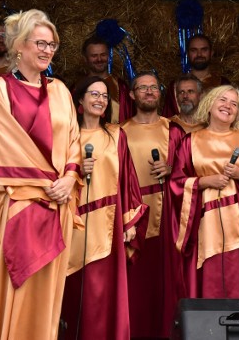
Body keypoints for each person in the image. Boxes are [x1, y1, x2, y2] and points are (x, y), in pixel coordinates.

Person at [0, 9, 83, 340]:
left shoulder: (61, 91)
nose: (47, 50)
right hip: (18, 203)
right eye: (40, 43)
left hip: (57, 203)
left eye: (52, 44)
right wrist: (48, 185)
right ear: (19, 46)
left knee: (49, 295)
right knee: (15, 287)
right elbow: (4, 146)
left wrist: (69, 178)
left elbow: (73, 141)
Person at [61, 76, 149, 340]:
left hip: (108, 225)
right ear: (79, 101)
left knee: (103, 293)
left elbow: (128, 178)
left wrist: (129, 220)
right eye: (93, 94)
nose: (99, 100)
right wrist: (76, 171)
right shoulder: (66, 136)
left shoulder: (115, 134)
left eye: (103, 96)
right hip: (72, 222)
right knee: (75, 289)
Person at [170, 85, 239, 298]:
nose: (228, 106)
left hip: (238, 222)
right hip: (203, 222)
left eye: (234, 104)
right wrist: (206, 181)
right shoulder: (190, 141)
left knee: (235, 279)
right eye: (223, 100)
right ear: (209, 104)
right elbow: (177, 183)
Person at [121, 71, 186, 340]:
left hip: (167, 213)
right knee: (136, 285)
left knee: (165, 283)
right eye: (142, 88)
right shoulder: (119, 131)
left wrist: (172, 168)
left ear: (160, 93)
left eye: (153, 87)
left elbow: (188, 172)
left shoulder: (173, 131)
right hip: (133, 216)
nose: (149, 92)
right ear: (132, 94)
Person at [162, 34, 230, 117]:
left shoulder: (223, 84)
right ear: (187, 54)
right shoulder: (175, 86)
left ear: (211, 53)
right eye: (194, 50)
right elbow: (168, 120)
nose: (199, 54)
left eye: (204, 50)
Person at [80, 35, 134, 124]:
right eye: (94, 56)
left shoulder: (121, 87)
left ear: (108, 56)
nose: (99, 59)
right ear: (85, 59)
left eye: (103, 55)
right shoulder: (77, 87)